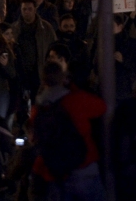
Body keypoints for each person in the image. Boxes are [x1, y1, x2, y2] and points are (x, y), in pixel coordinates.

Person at [30, 62, 106, 200]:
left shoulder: (38, 108)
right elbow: (101, 107)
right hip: (83, 166)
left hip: (54, 172)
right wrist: (72, 87)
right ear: (63, 78)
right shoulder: (75, 99)